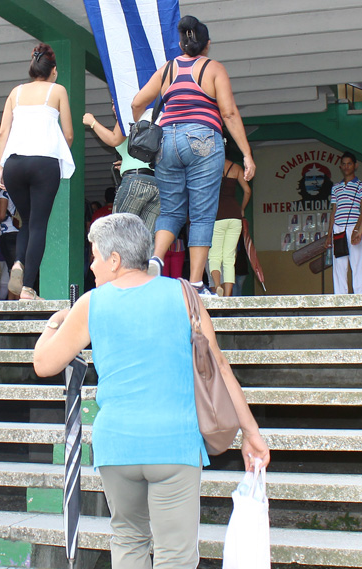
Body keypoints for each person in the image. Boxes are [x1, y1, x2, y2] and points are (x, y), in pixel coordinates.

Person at [32, 213, 270, 569]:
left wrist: (54, 321)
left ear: (115, 260)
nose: (92, 265)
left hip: (118, 447)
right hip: (175, 444)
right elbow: (220, 367)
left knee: (128, 540)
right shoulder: (184, 295)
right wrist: (251, 433)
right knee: (176, 553)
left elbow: (43, 364)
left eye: (95, 255)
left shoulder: (91, 303)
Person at [132, 15, 255, 296]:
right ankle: (196, 284)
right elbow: (229, 113)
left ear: (180, 43)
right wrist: (246, 154)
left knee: (172, 210)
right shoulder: (213, 69)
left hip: (166, 142)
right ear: (207, 45)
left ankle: (156, 258)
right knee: (201, 214)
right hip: (203, 140)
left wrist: (142, 126)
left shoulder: (167, 69)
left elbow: (137, 102)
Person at [0, 43, 75, 300]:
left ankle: (18, 263)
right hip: (44, 162)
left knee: (26, 220)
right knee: (39, 224)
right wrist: (60, 147)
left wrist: (0, 166)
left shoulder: (15, 93)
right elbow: (69, 134)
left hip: (14, 164)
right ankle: (28, 288)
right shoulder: (58, 90)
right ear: (52, 70)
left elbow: (4, 133)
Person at [83, 104, 159, 234]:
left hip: (136, 181)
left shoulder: (127, 112)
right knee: (147, 239)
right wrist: (125, 163)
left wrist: (93, 122)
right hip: (156, 182)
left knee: (119, 233)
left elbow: (114, 139)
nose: (113, 107)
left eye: (115, 102)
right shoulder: (151, 115)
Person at [325, 152, 362, 294]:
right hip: (338, 229)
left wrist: (358, 229)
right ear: (340, 166)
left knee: (358, 264)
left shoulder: (361, 186)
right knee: (339, 265)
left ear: (355, 166)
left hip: (355, 227)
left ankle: (361, 298)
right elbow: (334, 211)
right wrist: (329, 234)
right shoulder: (336, 187)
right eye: (344, 164)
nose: (346, 166)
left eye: (349, 163)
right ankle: (340, 298)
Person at [209, 156, 252, 296]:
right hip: (234, 216)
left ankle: (217, 285)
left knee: (215, 256)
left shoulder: (210, 166)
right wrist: (242, 208)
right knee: (229, 258)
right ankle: (228, 296)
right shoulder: (236, 168)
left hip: (217, 215)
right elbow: (247, 191)